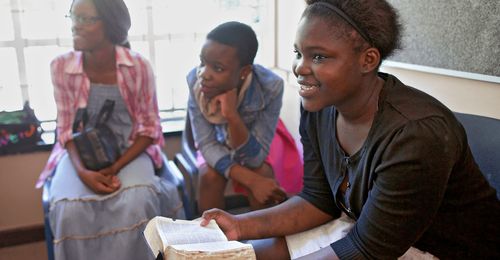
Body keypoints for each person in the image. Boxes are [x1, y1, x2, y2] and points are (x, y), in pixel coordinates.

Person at [201, 0, 500, 259]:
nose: (300, 68)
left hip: (443, 251)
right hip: (371, 236)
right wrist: (240, 225)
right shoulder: (319, 109)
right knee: (252, 251)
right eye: (298, 53)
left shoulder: (415, 134)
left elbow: (366, 251)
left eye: (318, 56)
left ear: (367, 60)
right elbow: (318, 200)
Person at [36, 0, 184, 259]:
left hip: (130, 150)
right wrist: (83, 173)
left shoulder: (138, 67)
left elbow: (149, 129)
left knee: (137, 202)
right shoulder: (61, 67)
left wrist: (113, 168)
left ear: (111, 24)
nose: (75, 26)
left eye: (85, 19)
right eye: (73, 17)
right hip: (79, 153)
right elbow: (65, 128)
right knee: (69, 210)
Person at [187, 21, 303, 213]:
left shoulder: (271, 87)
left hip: (255, 141)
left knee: (263, 173)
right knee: (210, 177)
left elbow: (255, 158)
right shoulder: (194, 81)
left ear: (244, 72)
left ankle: (264, 240)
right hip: (215, 143)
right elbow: (207, 144)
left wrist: (232, 116)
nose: (204, 75)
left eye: (217, 68)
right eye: (202, 62)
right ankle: (211, 241)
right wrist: (252, 181)